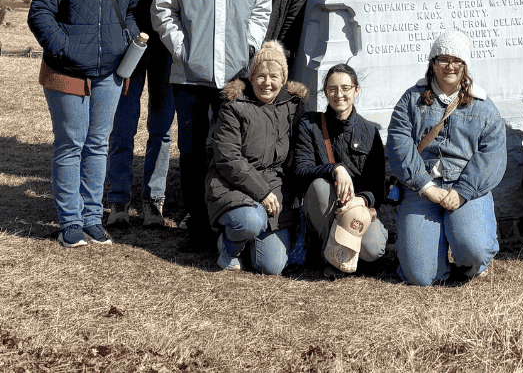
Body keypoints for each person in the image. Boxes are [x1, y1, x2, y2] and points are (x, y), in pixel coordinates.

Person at [152, 0, 272, 252]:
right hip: (190, 77)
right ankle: (197, 227)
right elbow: (163, 9)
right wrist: (182, 49)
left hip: (234, 80)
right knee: (191, 154)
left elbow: (261, 10)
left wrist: (248, 47)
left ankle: (226, 220)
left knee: (229, 153)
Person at [28, 0, 142, 248]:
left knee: (97, 145)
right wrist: (65, 48)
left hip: (110, 73)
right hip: (67, 72)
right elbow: (40, 13)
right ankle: (70, 222)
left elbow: (133, 9)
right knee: (71, 144)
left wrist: (130, 38)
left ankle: (93, 218)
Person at [386, 31, 507, 286]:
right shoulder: (411, 99)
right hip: (422, 188)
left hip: (464, 188)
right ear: (432, 63)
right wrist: (425, 186)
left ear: (465, 66)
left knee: (474, 249)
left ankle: (473, 258)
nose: (450, 66)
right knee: (421, 276)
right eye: (443, 59)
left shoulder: (483, 106)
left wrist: (463, 191)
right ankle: (431, 257)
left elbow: (492, 154)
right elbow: (399, 142)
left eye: (457, 61)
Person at [106, 0, 183, 228]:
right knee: (123, 126)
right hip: (133, 47)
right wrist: (130, 32)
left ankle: (153, 201)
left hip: (168, 51)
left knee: (162, 128)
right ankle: (118, 201)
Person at [206, 40, 305, 274]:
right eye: (261, 75)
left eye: (274, 76)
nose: (267, 83)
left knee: (271, 267)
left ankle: (248, 239)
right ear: (251, 77)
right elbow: (228, 158)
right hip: (232, 184)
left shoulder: (293, 106)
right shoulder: (233, 106)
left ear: (283, 79)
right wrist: (262, 193)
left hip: (275, 189)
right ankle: (229, 245)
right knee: (251, 221)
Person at [294, 63, 388, 277]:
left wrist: (362, 200)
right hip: (324, 207)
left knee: (373, 249)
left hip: (355, 208)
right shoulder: (309, 125)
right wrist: (335, 169)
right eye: (332, 89)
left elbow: (377, 186)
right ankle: (332, 256)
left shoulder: (370, 132)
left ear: (356, 90)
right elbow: (301, 170)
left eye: (345, 88)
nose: (339, 95)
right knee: (318, 186)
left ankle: (346, 253)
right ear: (325, 92)